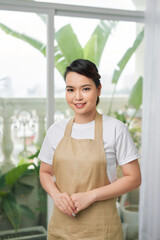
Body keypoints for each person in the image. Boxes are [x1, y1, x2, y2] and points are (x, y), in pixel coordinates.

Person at [39, 59, 141, 240]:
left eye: (85, 89)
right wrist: (56, 195)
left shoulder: (116, 129)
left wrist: (91, 196)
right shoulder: (56, 131)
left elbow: (134, 178)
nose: (77, 97)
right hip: (60, 230)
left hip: (102, 231)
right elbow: (45, 172)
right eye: (71, 89)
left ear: (98, 89)